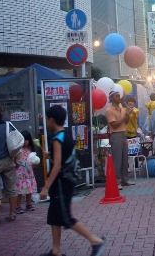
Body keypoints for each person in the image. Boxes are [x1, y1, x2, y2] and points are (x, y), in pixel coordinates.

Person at [40, 105, 106, 256]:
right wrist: (50, 154)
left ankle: (95, 241)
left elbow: (57, 166)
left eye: (47, 120)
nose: (46, 122)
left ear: (52, 120)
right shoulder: (66, 134)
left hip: (61, 183)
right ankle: (56, 251)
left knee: (66, 218)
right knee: (54, 217)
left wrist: (45, 187)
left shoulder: (57, 139)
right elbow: (64, 157)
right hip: (67, 182)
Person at [105, 91, 133, 190]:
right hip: (115, 135)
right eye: (116, 96)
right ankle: (117, 181)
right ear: (112, 98)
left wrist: (128, 114)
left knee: (125, 158)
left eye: (119, 96)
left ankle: (125, 180)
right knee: (117, 159)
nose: (119, 98)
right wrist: (124, 116)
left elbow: (126, 121)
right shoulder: (109, 110)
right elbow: (114, 124)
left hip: (123, 134)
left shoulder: (122, 108)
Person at [15, 130, 38, 214]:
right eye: (23, 140)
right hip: (20, 173)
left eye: (26, 140)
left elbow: (33, 161)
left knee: (29, 190)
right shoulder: (18, 150)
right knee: (20, 191)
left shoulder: (31, 149)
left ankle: (28, 204)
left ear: (29, 140)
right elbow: (15, 161)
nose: (25, 142)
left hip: (29, 173)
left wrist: (35, 163)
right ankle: (18, 206)